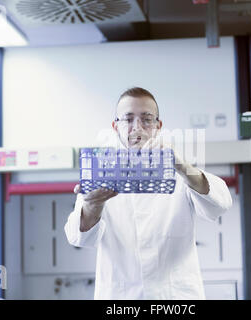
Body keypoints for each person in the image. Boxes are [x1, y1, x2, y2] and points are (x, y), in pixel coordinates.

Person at [64, 87, 233, 299]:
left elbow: (219, 205)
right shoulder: (101, 173)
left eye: (147, 119)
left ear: (158, 126)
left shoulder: (181, 173)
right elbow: (79, 239)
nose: (137, 127)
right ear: (115, 127)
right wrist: (92, 206)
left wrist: (181, 165)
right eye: (128, 119)